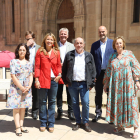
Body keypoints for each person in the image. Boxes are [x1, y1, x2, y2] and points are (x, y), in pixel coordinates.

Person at [103, 36, 140, 139]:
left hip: (128, 85)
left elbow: (136, 67)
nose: (118, 45)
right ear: (114, 45)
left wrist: (137, 81)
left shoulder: (129, 54)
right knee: (118, 106)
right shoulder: (112, 56)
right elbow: (109, 71)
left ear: (123, 44)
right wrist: (105, 84)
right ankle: (120, 126)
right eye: (116, 43)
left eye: (120, 43)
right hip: (116, 86)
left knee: (132, 106)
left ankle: (136, 128)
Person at [62, 37, 96, 132]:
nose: (79, 45)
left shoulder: (89, 55)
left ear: (84, 44)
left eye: (81, 43)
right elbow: (64, 70)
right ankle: (78, 122)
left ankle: (85, 122)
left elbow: (93, 70)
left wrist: (91, 84)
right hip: (72, 84)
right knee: (74, 103)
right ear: (74, 44)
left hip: (84, 84)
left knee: (85, 103)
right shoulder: (69, 55)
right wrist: (66, 82)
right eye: (77, 43)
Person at [34, 33, 62, 133]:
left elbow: (59, 65)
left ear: (54, 41)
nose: (49, 41)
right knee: (42, 102)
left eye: (51, 39)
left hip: (54, 80)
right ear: (45, 41)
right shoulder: (40, 52)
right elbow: (37, 67)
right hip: (42, 80)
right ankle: (42, 122)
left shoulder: (57, 52)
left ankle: (51, 123)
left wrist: (59, 75)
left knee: (52, 102)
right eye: (48, 39)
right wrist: (36, 80)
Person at [6, 43, 33, 136]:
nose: (22, 51)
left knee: (23, 108)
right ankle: (17, 127)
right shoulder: (13, 61)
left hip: (26, 88)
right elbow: (13, 75)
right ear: (17, 51)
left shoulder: (29, 63)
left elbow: (30, 75)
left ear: (26, 52)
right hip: (16, 88)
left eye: (24, 50)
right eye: (20, 49)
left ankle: (21, 126)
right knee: (16, 108)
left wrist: (29, 86)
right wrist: (21, 87)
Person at [90, 26, 115, 122]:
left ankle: (109, 116)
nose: (102, 33)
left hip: (110, 73)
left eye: (103, 31)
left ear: (106, 31)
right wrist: (93, 75)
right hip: (98, 73)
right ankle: (98, 113)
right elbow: (91, 61)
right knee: (98, 94)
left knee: (109, 94)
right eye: (100, 32)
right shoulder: (94, 45)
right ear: (98, 33)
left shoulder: (112, 43)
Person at [56, 28, 75, 120]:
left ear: (67, 36)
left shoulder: (72, 46)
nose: (63, 35)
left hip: (68, 73)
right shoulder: (55, 46)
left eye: (65, 34)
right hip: (58, 73)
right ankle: (59, 112)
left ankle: (70, 112)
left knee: (69, 93)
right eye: (61, 34)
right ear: (59, 35)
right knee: (58, 93)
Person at [25, 31, 40, 119]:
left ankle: (35, 111)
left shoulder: (39, 48)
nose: (28, 40)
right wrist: (26, 46)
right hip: (26, 74)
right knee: (26, 92)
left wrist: (36, 72)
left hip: (35, 74)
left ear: (33, 38)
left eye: (29, 39)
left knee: (36, 93)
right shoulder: (23, 47)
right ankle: (25, 110)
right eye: (26, 39)